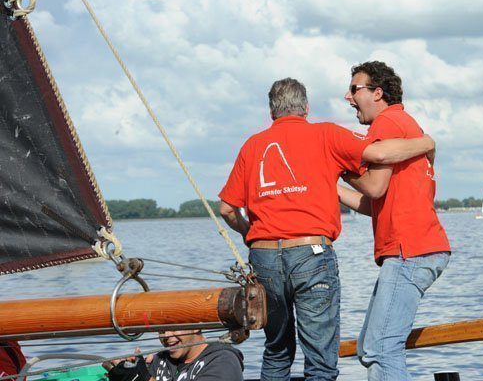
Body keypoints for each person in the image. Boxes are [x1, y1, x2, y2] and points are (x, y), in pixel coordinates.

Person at [218, 77, 436, 380]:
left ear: (272, 112)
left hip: (264, 255)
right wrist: (426, 142)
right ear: (306, 108)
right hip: (310, 252)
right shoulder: (326, 134)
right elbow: (379, 154)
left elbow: (227, 208)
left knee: (277, 352)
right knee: (320, 359)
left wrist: (247, 233)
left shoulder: (252, 145)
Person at [337, 61, 451, 381]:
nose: (347, 97)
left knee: (382, 349)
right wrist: (330, 185)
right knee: (368, 347)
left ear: (377, 93)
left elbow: (374, 186)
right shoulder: (406, 124)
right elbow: (374, 202)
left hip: (410, 249)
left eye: (354, 89)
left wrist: (339, 165)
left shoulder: (386, 122)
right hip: (419, 248)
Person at [106, 330, 243, 381]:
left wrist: (144, 379)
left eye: (173, 327)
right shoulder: (160, 360)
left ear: (196, 325)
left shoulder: (223, 361)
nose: (166, 336)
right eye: (161, 330)